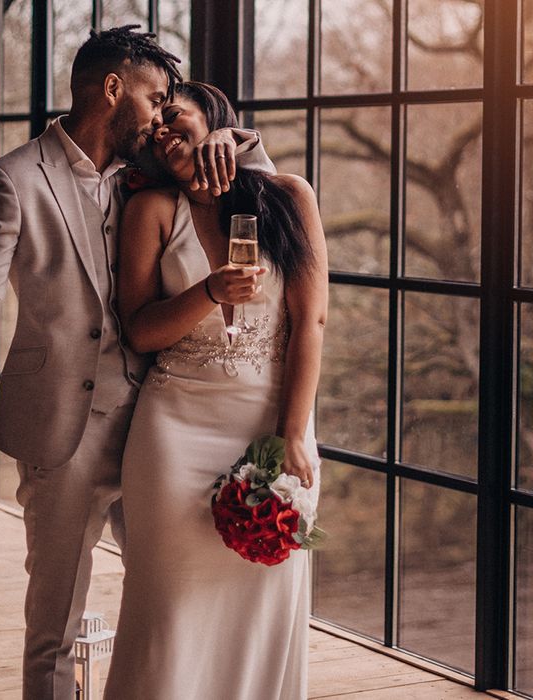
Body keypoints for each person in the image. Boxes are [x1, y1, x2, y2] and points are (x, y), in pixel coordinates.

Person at [0, 27, 274, 699]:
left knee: (175, 599)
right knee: (57, 631)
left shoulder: (149, 175)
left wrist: (236, 139)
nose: (162, 115)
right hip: (61, 433)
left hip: (157, 428)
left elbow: (251, 184)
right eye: (155, 97)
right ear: (111, 88)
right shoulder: (15, 179)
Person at [103, 81, 328, 700]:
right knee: (167, 609)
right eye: (153, 131)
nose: (162, 131)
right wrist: (206, 294)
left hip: (271, 426)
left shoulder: (289, 196)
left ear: (218, 121)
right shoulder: (152, 210)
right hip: (174, 435)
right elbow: (140, 330)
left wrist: (292, 435)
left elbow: (310, 322)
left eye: (173, 115)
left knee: (260, 608)